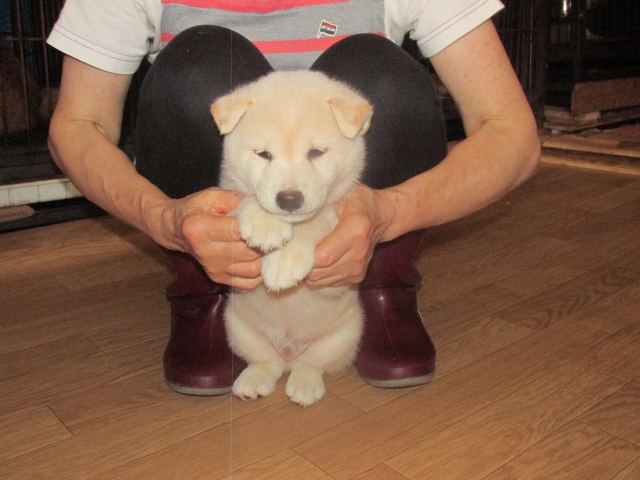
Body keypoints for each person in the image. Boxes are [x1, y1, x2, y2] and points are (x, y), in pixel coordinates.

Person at [46, 0, 540, 396]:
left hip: (354, 206)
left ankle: (383, 286)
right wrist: (163, 218)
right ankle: (205, 295)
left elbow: (512, 134)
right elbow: (77, 124)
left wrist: (390, 213)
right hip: (220, 210)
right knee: (199, 61)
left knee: (376, 67)